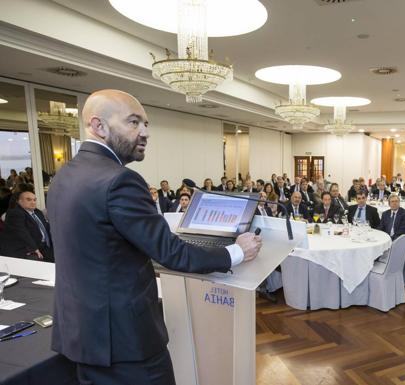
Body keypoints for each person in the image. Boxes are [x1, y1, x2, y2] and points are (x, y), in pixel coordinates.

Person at [46, 89, 262, 384]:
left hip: (83, 333)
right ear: (99, 126)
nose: (145, 132)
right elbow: (171, 252)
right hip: (126, 340)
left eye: (146, 124)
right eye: (134, 122)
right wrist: (235, 252)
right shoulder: (120, 180)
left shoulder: (64, 176)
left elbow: (100, 246)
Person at [2, 190, 54, 262]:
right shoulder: (15, 213)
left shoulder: (38, 212)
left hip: (44, 246)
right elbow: (22, 232)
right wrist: (34, 248)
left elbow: (47, 228)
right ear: (19, 201)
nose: (33, 202)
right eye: (28, 199)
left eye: (34, 200)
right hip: (26, 248)